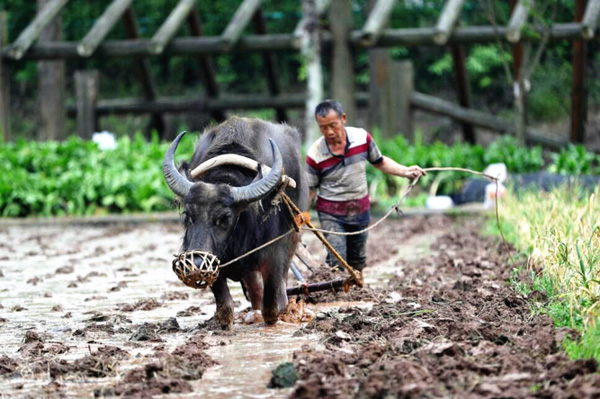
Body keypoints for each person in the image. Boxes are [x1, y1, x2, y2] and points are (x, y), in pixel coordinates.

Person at [305, 99, 426, 273]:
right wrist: (302, 214)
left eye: (333, 125)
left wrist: (405, 171)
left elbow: (380, 161)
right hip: (331, 214)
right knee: (337, 258)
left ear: (343, 119)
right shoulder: (315, 153)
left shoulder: (361, 138)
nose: (330, 132)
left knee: (358, 261)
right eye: (323, 128)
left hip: (360, 210)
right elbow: (311, 189)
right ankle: (334, 293)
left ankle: (355, 292)